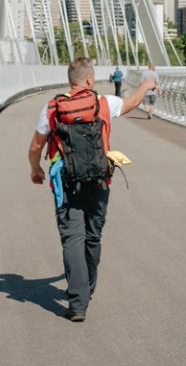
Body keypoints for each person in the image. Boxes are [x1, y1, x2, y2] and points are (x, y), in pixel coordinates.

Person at [27, 58, 157, 321]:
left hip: (65, 180)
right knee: (92, 236)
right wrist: (146, 85)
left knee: (72, 238)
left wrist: (35, 170)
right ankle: (88, 287)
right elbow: (132, 103)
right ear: (88, 80)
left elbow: (35, 147)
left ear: (69, 80)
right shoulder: (103, 102)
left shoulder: (53, 107)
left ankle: (77, 304)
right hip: (99, 180)